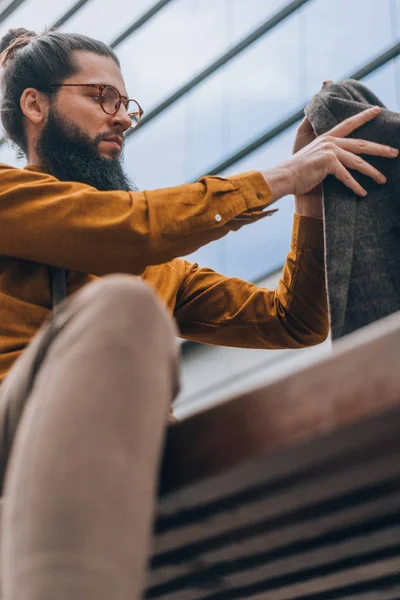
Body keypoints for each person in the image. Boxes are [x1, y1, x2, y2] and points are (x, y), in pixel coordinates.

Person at [0, 27, 397, 600]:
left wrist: (309, 198)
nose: (122, 117)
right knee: (123, 309)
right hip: (13, 434)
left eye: (126, 103)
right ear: (35, 104)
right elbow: (130, 230)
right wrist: (276, 179)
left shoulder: (159, 270)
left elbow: (295, 321)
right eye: (102, 98)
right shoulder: (13, 198)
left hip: (131, 468)